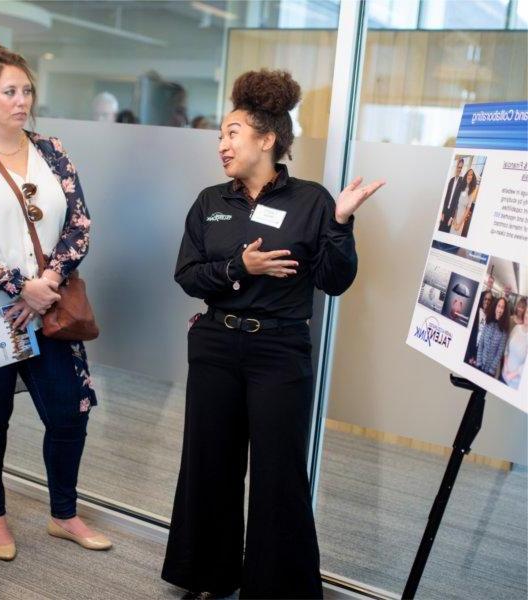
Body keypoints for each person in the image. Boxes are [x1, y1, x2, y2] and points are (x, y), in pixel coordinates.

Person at [161, 69, 384, 599]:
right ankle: (206, 575)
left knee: (278, 474)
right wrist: (241, 267)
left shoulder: (311, 201)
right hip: (215, 345)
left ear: (267, 139)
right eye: (220, 134)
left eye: (232, 133)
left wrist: (342, 222)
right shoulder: (210, 200)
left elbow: (335, 280)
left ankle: (276, 589)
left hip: (279, 351)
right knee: (209, 463)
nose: (222, 144)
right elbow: (188, 275)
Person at [0, 37, 110, 560]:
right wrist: (18, 286)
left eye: (27, 90)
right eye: (10, 91)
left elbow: (80, 223)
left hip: (49, 311)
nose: (21, 100)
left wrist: (46, 284)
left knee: (69, 414)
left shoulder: (52, 152)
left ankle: (64, 514)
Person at [476, 297, 509, 378]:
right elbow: (481, 344)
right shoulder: (488, 322)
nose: (499, 309)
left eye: (502, 307)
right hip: (479, 365)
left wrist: (491, 370)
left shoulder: (504, 330)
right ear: (495, 307)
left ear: (504, 311)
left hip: (490, 371)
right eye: (498, 306)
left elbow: (499, 353)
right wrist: (478, 362)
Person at [502, 306, 528, 390]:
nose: (527, 316)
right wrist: (505, 367)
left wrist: (513, 374)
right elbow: (507, 349)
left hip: (514, 384)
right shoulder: (516, 328)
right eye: (527, 312)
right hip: (503, 376)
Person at [466, 290, 493, 365]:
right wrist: (470, 354)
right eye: (485, 299)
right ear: (482, 299)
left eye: (489, 300)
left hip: (479, 353)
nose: (487, 301)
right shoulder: (476, 312)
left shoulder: (490, 317)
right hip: (469, 349)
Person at [439, 158, 465, 233]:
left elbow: (457, 200)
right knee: (440, 229)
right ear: (456, 167)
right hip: (445, 210)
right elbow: (446, 197)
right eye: (458, 167)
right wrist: (443, 212)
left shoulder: (462, 181)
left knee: (446, 231)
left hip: (451, 212)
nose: (459, 169)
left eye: (461, 167)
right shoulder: (451, 180)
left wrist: (452, 217)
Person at [451, 168, 477, 236]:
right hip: (455, 216)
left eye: (471, 175)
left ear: (473, 177)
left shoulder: (472, 191)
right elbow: (456, 204)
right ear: (466, 176)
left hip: (461, 218)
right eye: (468, 174)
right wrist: (454, 219)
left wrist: (459, 224)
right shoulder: (461, 187)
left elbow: (468, 210)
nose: (469, 176)